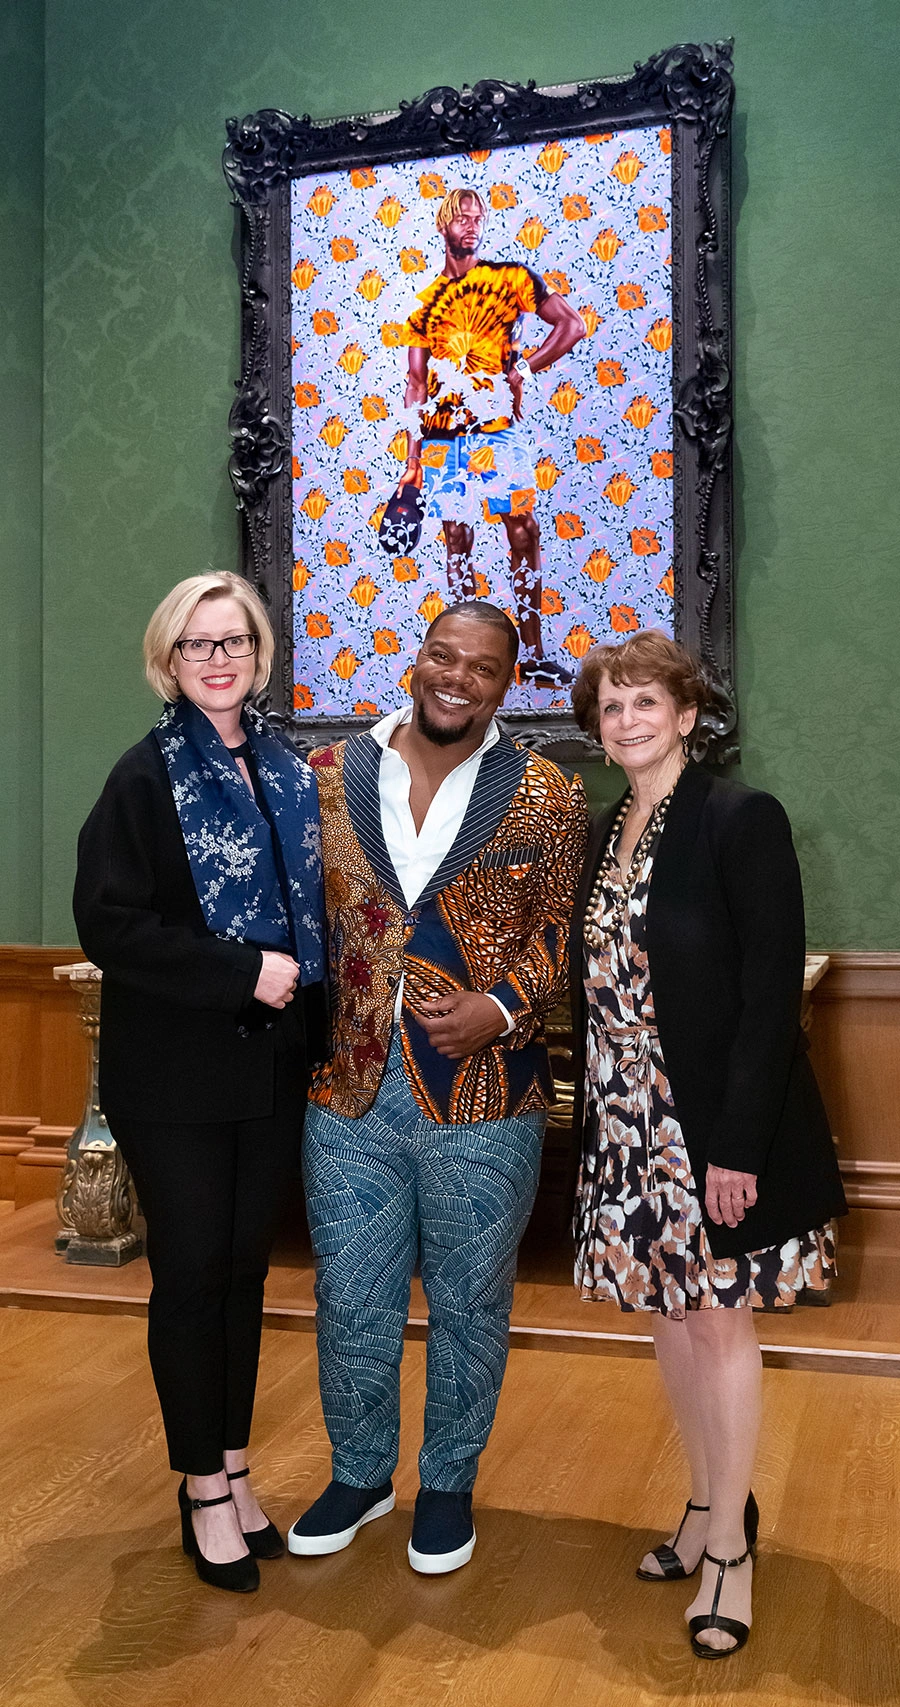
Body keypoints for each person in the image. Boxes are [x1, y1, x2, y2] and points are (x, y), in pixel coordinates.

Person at [288, 601, 589, 1574]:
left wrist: (498, 1009)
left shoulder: (550, 794)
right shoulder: (326, 779)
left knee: (469, 1300)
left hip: (486, 1099)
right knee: (352, 1294)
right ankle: (362, 1474)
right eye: (442, 656)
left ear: (510, 684)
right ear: (416, 660)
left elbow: (560, 934)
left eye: (483, 668)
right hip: (349, 1089)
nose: (456, 678)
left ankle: (448, 1482)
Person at [568, 630, 846, 1658]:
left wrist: (735, 1147)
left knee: (722, 1321)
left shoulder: (741, 820)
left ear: (688, 715)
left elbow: (772, 994)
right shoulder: (608, 832)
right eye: (611, 707)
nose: (628, 720)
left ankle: (730, 1542)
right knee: (672, 1320)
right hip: (625, 1119)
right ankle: (701, 1501)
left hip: (712, 1123)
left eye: (647, 703)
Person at [74, 571, 325, 1594]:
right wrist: (241, 971)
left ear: (260, 656)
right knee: (188, 1279)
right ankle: (200, 1491)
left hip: (265, 1068)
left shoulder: (286, 772)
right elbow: (112, 926)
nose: (220, 661)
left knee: (243, 1274)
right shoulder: (144, 778)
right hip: (174, 1073)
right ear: (167, 662)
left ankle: (231, 1464)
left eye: (236, 643)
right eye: (199, 646)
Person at [395, 188, 585, 686]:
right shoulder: (426, 304)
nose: (472, 226)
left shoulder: (511, 278)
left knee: (523, 532)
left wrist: (524, 367)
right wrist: (412, 461)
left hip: (496, 430)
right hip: (441, 437)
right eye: (461, 219)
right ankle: (468, 661)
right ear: (443, 225)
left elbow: (571, 325)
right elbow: (416, 384)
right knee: (457, 541)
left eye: (478, 219)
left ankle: (535, 653)